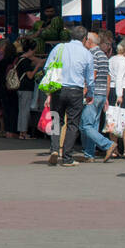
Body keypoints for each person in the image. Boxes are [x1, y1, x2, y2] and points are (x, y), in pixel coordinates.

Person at [44, 25, 95, 167]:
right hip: (76, 90)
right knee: (73, 123)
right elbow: (90, 78)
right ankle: (67, 157)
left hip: (58, 88)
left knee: (56, 119)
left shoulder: (59, 48)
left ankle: (54, 149)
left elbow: (47, 67)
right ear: (85, 39)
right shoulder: (87, 54)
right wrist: (90, 93)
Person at [79, 31, 117, 162]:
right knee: (93, 125)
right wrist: (106, 97)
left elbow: (92, 75)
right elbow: (107, 78)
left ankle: (108, 144)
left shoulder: (92, 54)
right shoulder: (103, 56)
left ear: (89, 41)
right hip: (101, 94)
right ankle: (89, 155)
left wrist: (85, 90)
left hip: (93, 94)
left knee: (85, 125)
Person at [108, 36, 125, 159]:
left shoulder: (112, 59)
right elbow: (120, 77)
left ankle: (114, 148)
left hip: (112, 90)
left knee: (113, 120)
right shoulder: (123, 61)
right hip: (123, 90)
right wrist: (120, 94)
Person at [14, 39, 40, 138]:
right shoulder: (25, 62)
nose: (34, 52)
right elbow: (30, 75)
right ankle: (23, 133)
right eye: (34, 50)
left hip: (20, 88)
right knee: (25, 111)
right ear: (30, 49)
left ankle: (21, 131)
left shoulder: (20, 58)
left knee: (21, 110)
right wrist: (37, 67)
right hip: (26, 88)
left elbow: (34, 59)